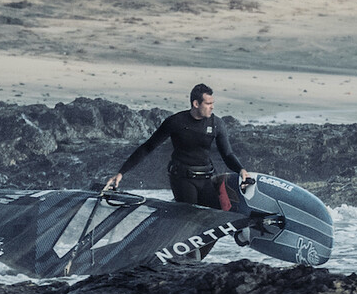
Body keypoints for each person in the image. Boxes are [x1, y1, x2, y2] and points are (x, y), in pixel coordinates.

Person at [105, 84, 253, 209]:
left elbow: (227, 154)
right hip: (182, 179)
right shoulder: (176, 122)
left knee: (213, 219)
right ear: (196, 104)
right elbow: (148, 147)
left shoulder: (216, 124)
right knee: (190, 218)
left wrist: (241, 170)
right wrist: (121, 173)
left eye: (212, 103)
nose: (212, 107)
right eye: (208, 104)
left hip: (206, 178)